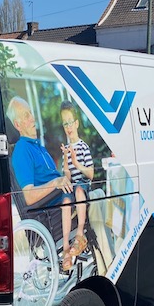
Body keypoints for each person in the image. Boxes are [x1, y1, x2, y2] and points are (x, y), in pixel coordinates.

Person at [5, 96, 75, 270]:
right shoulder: (22, 151)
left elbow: (58, 180)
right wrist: (56, 183)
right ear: (17, 125)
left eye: (31, 113)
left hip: (64, 201)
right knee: (97, 204)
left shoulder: (39, 148)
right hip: (52, 214)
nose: (32, 118)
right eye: (26, 115)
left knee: (97, 198)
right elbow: (29, 196)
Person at [59, 101, 94, 269]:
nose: (68, 127)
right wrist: (67, 161)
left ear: (77, 123)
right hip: (71, 186)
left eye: (70, 122)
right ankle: (66, 247)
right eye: (65, 123)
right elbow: (67, 175)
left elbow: (91, 174)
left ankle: (80, 234)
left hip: (82, 186)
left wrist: (76, 162)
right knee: (65, 201)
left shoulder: (83, 147)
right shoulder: (66, 149)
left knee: (79, 190)